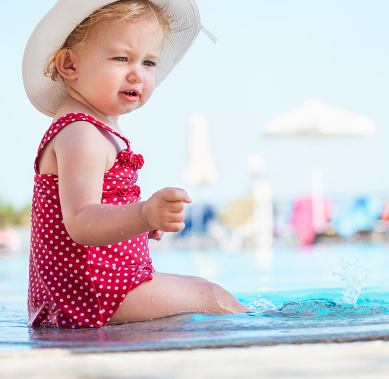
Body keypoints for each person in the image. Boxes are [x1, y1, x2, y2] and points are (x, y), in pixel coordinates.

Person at [23, 0, 249, 329]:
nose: (137, 73)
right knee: (213, 298)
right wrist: (142, 214)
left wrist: (138, 222)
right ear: (69, 64)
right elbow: (80, 221)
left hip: (94, 289)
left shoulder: (92, 128)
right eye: (121, 58)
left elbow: (101, 208)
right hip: (90, 295)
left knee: (202, 286)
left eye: (148, 62)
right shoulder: (81, 133)